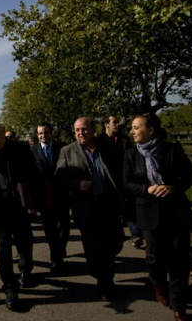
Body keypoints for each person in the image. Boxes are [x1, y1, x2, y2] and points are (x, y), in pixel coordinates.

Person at [122, 113, 192, 321]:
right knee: (155, 259)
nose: (132, 131)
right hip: (147, 213)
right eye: (132, 128)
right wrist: (147, 188)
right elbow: (126, 183)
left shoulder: (172, 150)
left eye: (136, 127)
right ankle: (158, 284)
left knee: (179, 261)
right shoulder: (130, 154)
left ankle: (179, 305)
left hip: (176, 214)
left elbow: (189, 177)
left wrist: (172, 187)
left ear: (151, 130)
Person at [55, 117, 125, 301]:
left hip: (109, 205)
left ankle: (105, 272)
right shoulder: (67, 151)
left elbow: (120, 169)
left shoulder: (107, 147)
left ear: (94, 129)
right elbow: (60, 177)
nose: (81, 133)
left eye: (84, 129)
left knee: (114, 243)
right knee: (93, 248)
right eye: (77, 130)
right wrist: (77, 184)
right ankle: (104, 281)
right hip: (87, 208)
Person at [0, 121, 41, 311]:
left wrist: (32, 201)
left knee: (25, 240)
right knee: (3, 246)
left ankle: (26, 271)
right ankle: (9, 286)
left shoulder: (21, 149)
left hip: (20, 203)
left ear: (3, 132)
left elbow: (33, 174)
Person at [98, 115, 144, 249]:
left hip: (124, 177)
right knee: (113, 209)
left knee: (128, 206)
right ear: (106, 124)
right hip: (108, 179)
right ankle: (117, 234)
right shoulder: (100, 140)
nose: (117, 124)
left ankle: (136, 235)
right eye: (114, 122)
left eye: (118, 122)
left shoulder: (123, 139)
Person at [31, 122, 69, 273]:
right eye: (40, 133)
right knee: (50, 230)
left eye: (45, 132)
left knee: (63, 227)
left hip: (62, 195)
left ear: (51, 133)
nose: (43, 136)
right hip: (44, 197)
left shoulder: (63, 148)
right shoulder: (32, 151)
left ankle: (60, 250)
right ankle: (56, 258)